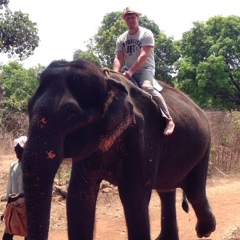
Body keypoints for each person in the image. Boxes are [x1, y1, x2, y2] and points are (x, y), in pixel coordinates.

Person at [113, 7, 175, 135]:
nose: (130, 19)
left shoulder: (146, 34)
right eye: (128, 17)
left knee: (147, 87)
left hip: (144, 68)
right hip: (128, 68)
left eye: (133, 17)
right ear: (125, 20)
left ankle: (168, 119)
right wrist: (115, 74)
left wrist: (130, 72)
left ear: (138, 18)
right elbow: (118, 58)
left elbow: (143, 55)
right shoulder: (121, 38)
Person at [2, 136, 27, 240]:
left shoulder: (31, 167)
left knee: (28, 235)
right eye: (15, 150)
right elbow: (10, 189)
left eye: (19, 150)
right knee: (7, 235)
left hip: (26, 209)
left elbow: (34, 191)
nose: (16, 152)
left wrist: (20, 195)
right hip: (13, 208)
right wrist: (5, 211)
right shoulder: (13, 166)